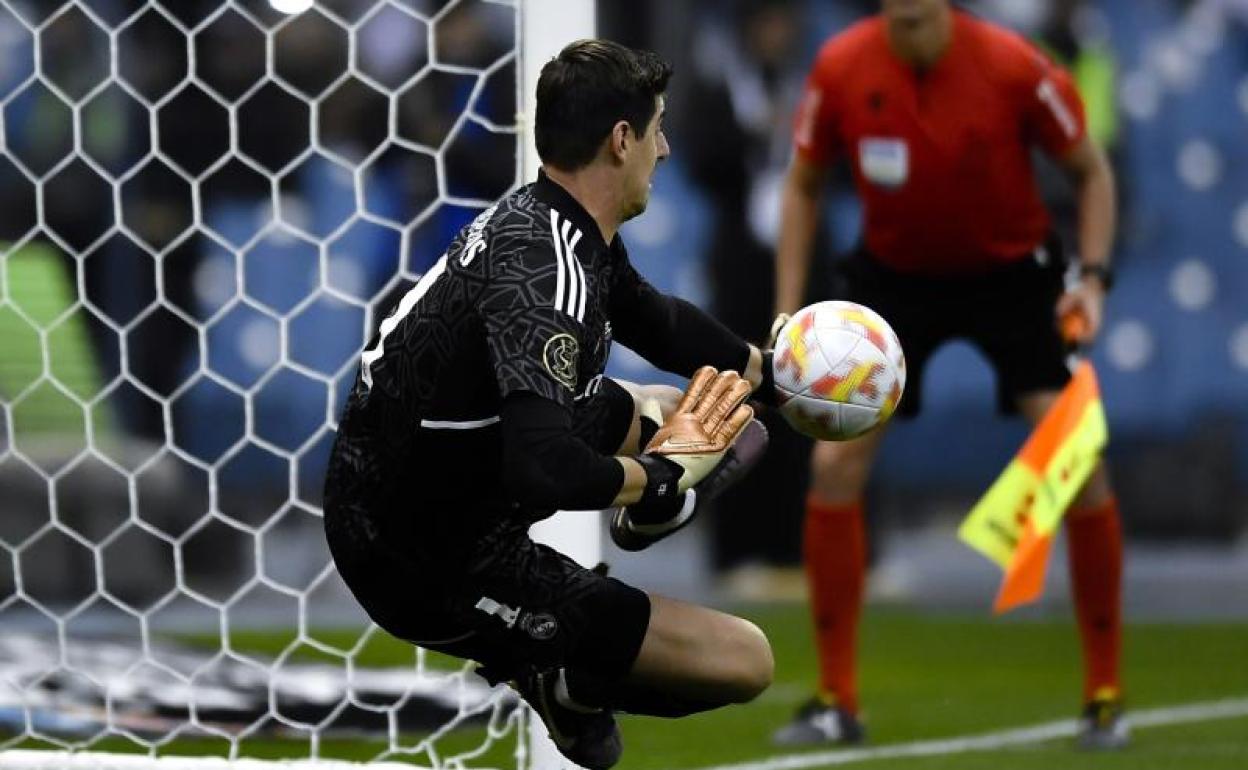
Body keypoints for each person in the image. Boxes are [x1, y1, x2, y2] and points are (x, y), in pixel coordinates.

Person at [323, 39, 781, 770]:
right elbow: (541, 467)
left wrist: (769, 371)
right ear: (621, 139)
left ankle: (644, 524)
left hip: (444, 482)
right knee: (743, 661)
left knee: (687, 406)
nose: (664, 151)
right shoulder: (547, 277)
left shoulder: (559, 223)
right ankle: (560, 678)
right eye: (657, 129)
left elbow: (654, 319)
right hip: (420, 555)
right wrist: (659, 475)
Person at [770, 0, 1126, 750]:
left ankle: (1104, 693)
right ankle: (836, 698)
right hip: (893, 281)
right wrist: (788, 312)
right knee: (834, 463)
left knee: (1079, 461)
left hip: (1012, 277)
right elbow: (802, 184)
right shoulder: (840, 67)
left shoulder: (1016, 66)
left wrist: (1090, 278)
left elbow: (1091, 172)